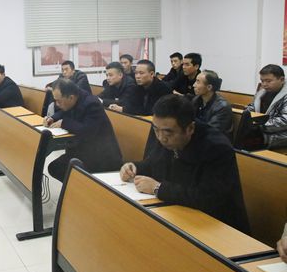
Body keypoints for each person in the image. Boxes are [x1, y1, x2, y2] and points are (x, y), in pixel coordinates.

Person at [119, 95, 249, 233]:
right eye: (156, 129)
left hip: (216, 227)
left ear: (190, 128)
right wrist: (135, 167)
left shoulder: (216, 147)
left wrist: (158, 188)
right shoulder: (162, 131)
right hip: (175, 213)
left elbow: (208, 198)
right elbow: (153, 163)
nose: (161, 138)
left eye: (168, 133)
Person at [44, 78, 122, 182]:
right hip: (83, 150)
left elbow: (87, 131)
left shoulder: (91, 104)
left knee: (59, 168)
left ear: (71, 97)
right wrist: (52, 118)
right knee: (55, 167)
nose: (57, 104)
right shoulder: (73, 99)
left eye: (59, 101)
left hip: (102, 156)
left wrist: (64, 123)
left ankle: (83, 189)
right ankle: (75, 189)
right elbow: (63, 111)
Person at [245, 64, 287, 149]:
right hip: (262, 130)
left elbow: (285, 120)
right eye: (262, 81)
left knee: (249, 140)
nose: (264, 84)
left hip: (281, 134)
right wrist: (245, 115)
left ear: (282, 79)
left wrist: (261, 126)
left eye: (268, 81)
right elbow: (253, 107)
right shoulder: (262, 93)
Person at [192, 70, 233, 138]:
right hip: (199, 137)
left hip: (215, 141)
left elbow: (211, 131)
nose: (194, 85)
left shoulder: (222, 107)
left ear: (209, 87)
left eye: (198, 82)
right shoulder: (196, 100)